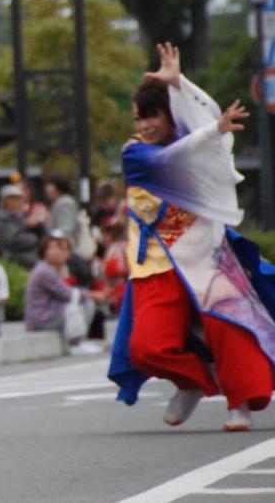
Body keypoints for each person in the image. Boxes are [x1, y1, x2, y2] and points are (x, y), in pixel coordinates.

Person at [110, 43, 275, 433]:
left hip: (206, 255)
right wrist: (210, 132)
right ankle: (195, 381)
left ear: (170, 116)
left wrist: (179, 83)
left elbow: (207, 122)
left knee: (228, 326)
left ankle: (240, 406)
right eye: (138, 117)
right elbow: (175, 156)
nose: (144, 125)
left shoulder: (195, 143)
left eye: (152, 116)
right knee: (146, 348)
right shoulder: (137, 155)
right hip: (156, 262)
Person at [0, 185, 39, 267]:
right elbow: (13, 240)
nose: (16, 202)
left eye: (19, 199)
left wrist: (37, 226)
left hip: (25, 253)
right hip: (12, 257)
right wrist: (36, 239)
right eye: (12, 199)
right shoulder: (1, 217)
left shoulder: (20, 215)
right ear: (5, 201)